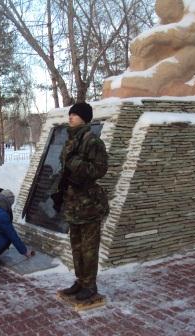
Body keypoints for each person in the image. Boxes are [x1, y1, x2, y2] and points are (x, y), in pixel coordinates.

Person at [52, 102, 109, 301]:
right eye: (70, 114)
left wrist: (75, 163)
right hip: (73, 203)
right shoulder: (71, 139)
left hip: (89, 204)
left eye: (75, 114)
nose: (71, 117)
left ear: (85, 118)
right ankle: (80, 281)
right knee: (76, 245)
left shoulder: (92, 141)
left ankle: (90, 285)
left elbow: (100, 170)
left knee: (89, 247)